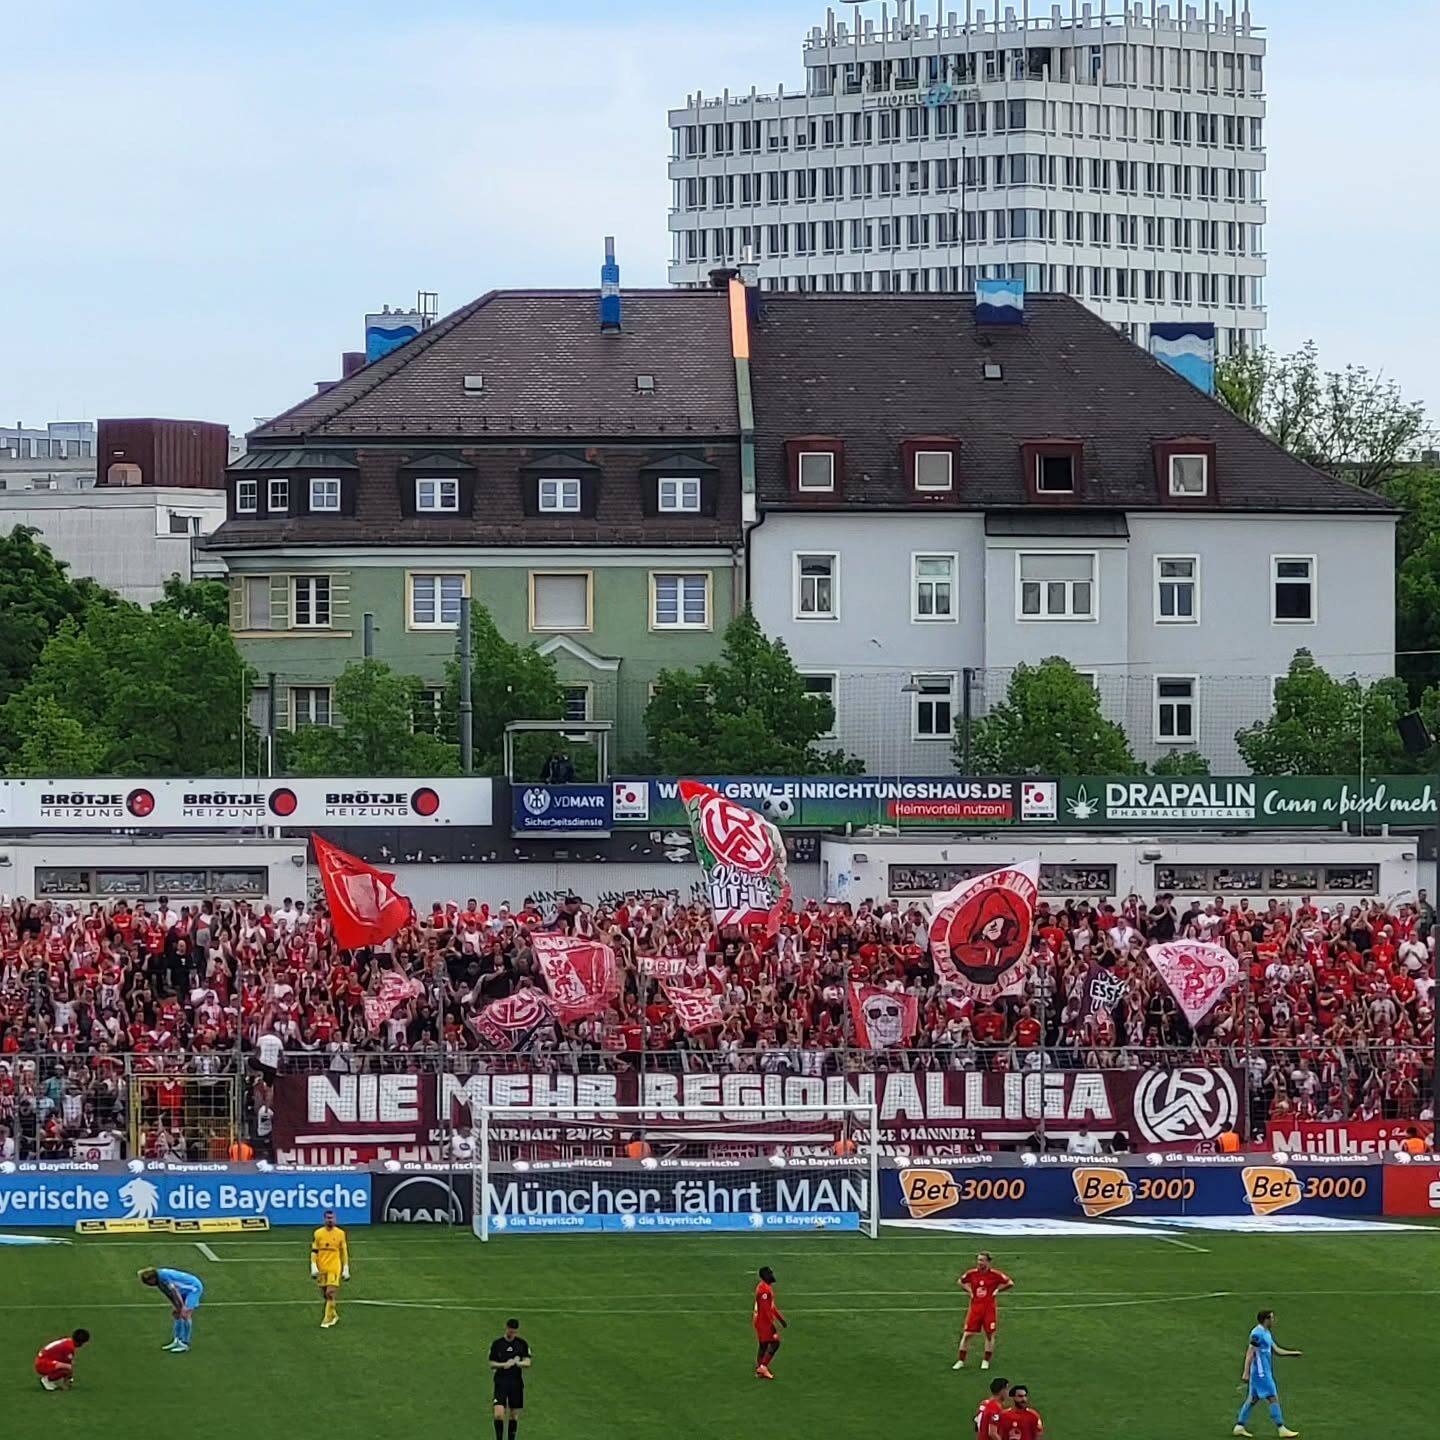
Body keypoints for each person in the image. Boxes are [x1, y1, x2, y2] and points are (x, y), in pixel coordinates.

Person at [1234, 1309, 1301, 1438]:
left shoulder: (1266, 1333)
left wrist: (1292, 1353)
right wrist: (1246, 1372)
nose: (1274, 1321)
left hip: (1263, 1371)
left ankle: (1239, 1426)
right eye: (1272, 1318)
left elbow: (1276, 1350)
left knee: (1253, 1399)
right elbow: (1250, 1352)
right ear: (1266, 1320)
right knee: (1272, 1398)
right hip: (1261, 1373)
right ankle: (1281, 1428)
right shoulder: (1257, 1333)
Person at [953, 1251, 1014, 1371]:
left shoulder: (995, 1275)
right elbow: (961, 1281)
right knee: (967, 1334)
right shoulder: (972, 1273)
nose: (979, 1262)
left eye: (982, 1260)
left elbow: (1010, 1283)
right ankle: (961, 1360)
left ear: (988, 1262)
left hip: (989, 1309)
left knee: (989, 1335)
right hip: (975, 1308)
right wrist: (969, 1291)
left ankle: (986, 1360)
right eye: (978, 1260)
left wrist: (997, 1290)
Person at [138, 1266, 204, 1352]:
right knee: (177, 1315)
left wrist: (182, 1306)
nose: (149, 1285)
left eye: (148, 1283)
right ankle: (177, 1340)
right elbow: (168, 1293)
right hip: (183, 1291)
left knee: (185, 1314)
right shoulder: (158, 1281)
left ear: (152, 1278)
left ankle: (185, 1343)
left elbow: (174, 1291)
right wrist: (175, 1306)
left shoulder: (164, 1276)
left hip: (192, 1289)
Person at [488, 1317, 531, 1440]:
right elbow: (491, 1363)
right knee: (498, 1414)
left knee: (513, 1415)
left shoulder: (522, 1344)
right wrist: (504, 1365)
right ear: (506, 1328)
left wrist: (517, 1363)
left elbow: (527, 1362)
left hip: (516, 1383)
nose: (512, 1334)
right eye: (510, 1331)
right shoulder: (497, 1344)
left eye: (514, 1332)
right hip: (501, 1381)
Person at [310, 1208, 351, 1329]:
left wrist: (345, 1268)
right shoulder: (318, 1233)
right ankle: (333, 1315)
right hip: (322, 1267)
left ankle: (327, 1319)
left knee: (330, 1293)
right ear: (324, 1219)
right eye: (328, 1218)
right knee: (324, 1293)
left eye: (332, 1218)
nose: (330, 1220)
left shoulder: (340, 1234)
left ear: (335, 1219)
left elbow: (344, 1252)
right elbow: (314, 1251)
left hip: (334, 1267)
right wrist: (313, 1265)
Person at [753, 1265, 787, 1380]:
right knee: (775, 1343)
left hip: (761, 1321)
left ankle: (759, 1370)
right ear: (766, 1276)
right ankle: (763, 1367)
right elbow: (766, 1310)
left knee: (763, 1345)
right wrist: (772, 1326)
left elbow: (772, 1307)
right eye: (770, 1274)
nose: (773, 1275)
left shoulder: (764, 1287)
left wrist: (781, 1319)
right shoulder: (765, 1291)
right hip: (764, 1322)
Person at [973, 1375, 1010, 1440]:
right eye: (1007, 1389)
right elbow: (993, 1433)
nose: (1008, 1393)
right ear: (1002, 1391)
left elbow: (977, 1425)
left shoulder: (984, 1403)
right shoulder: (995, 1409)